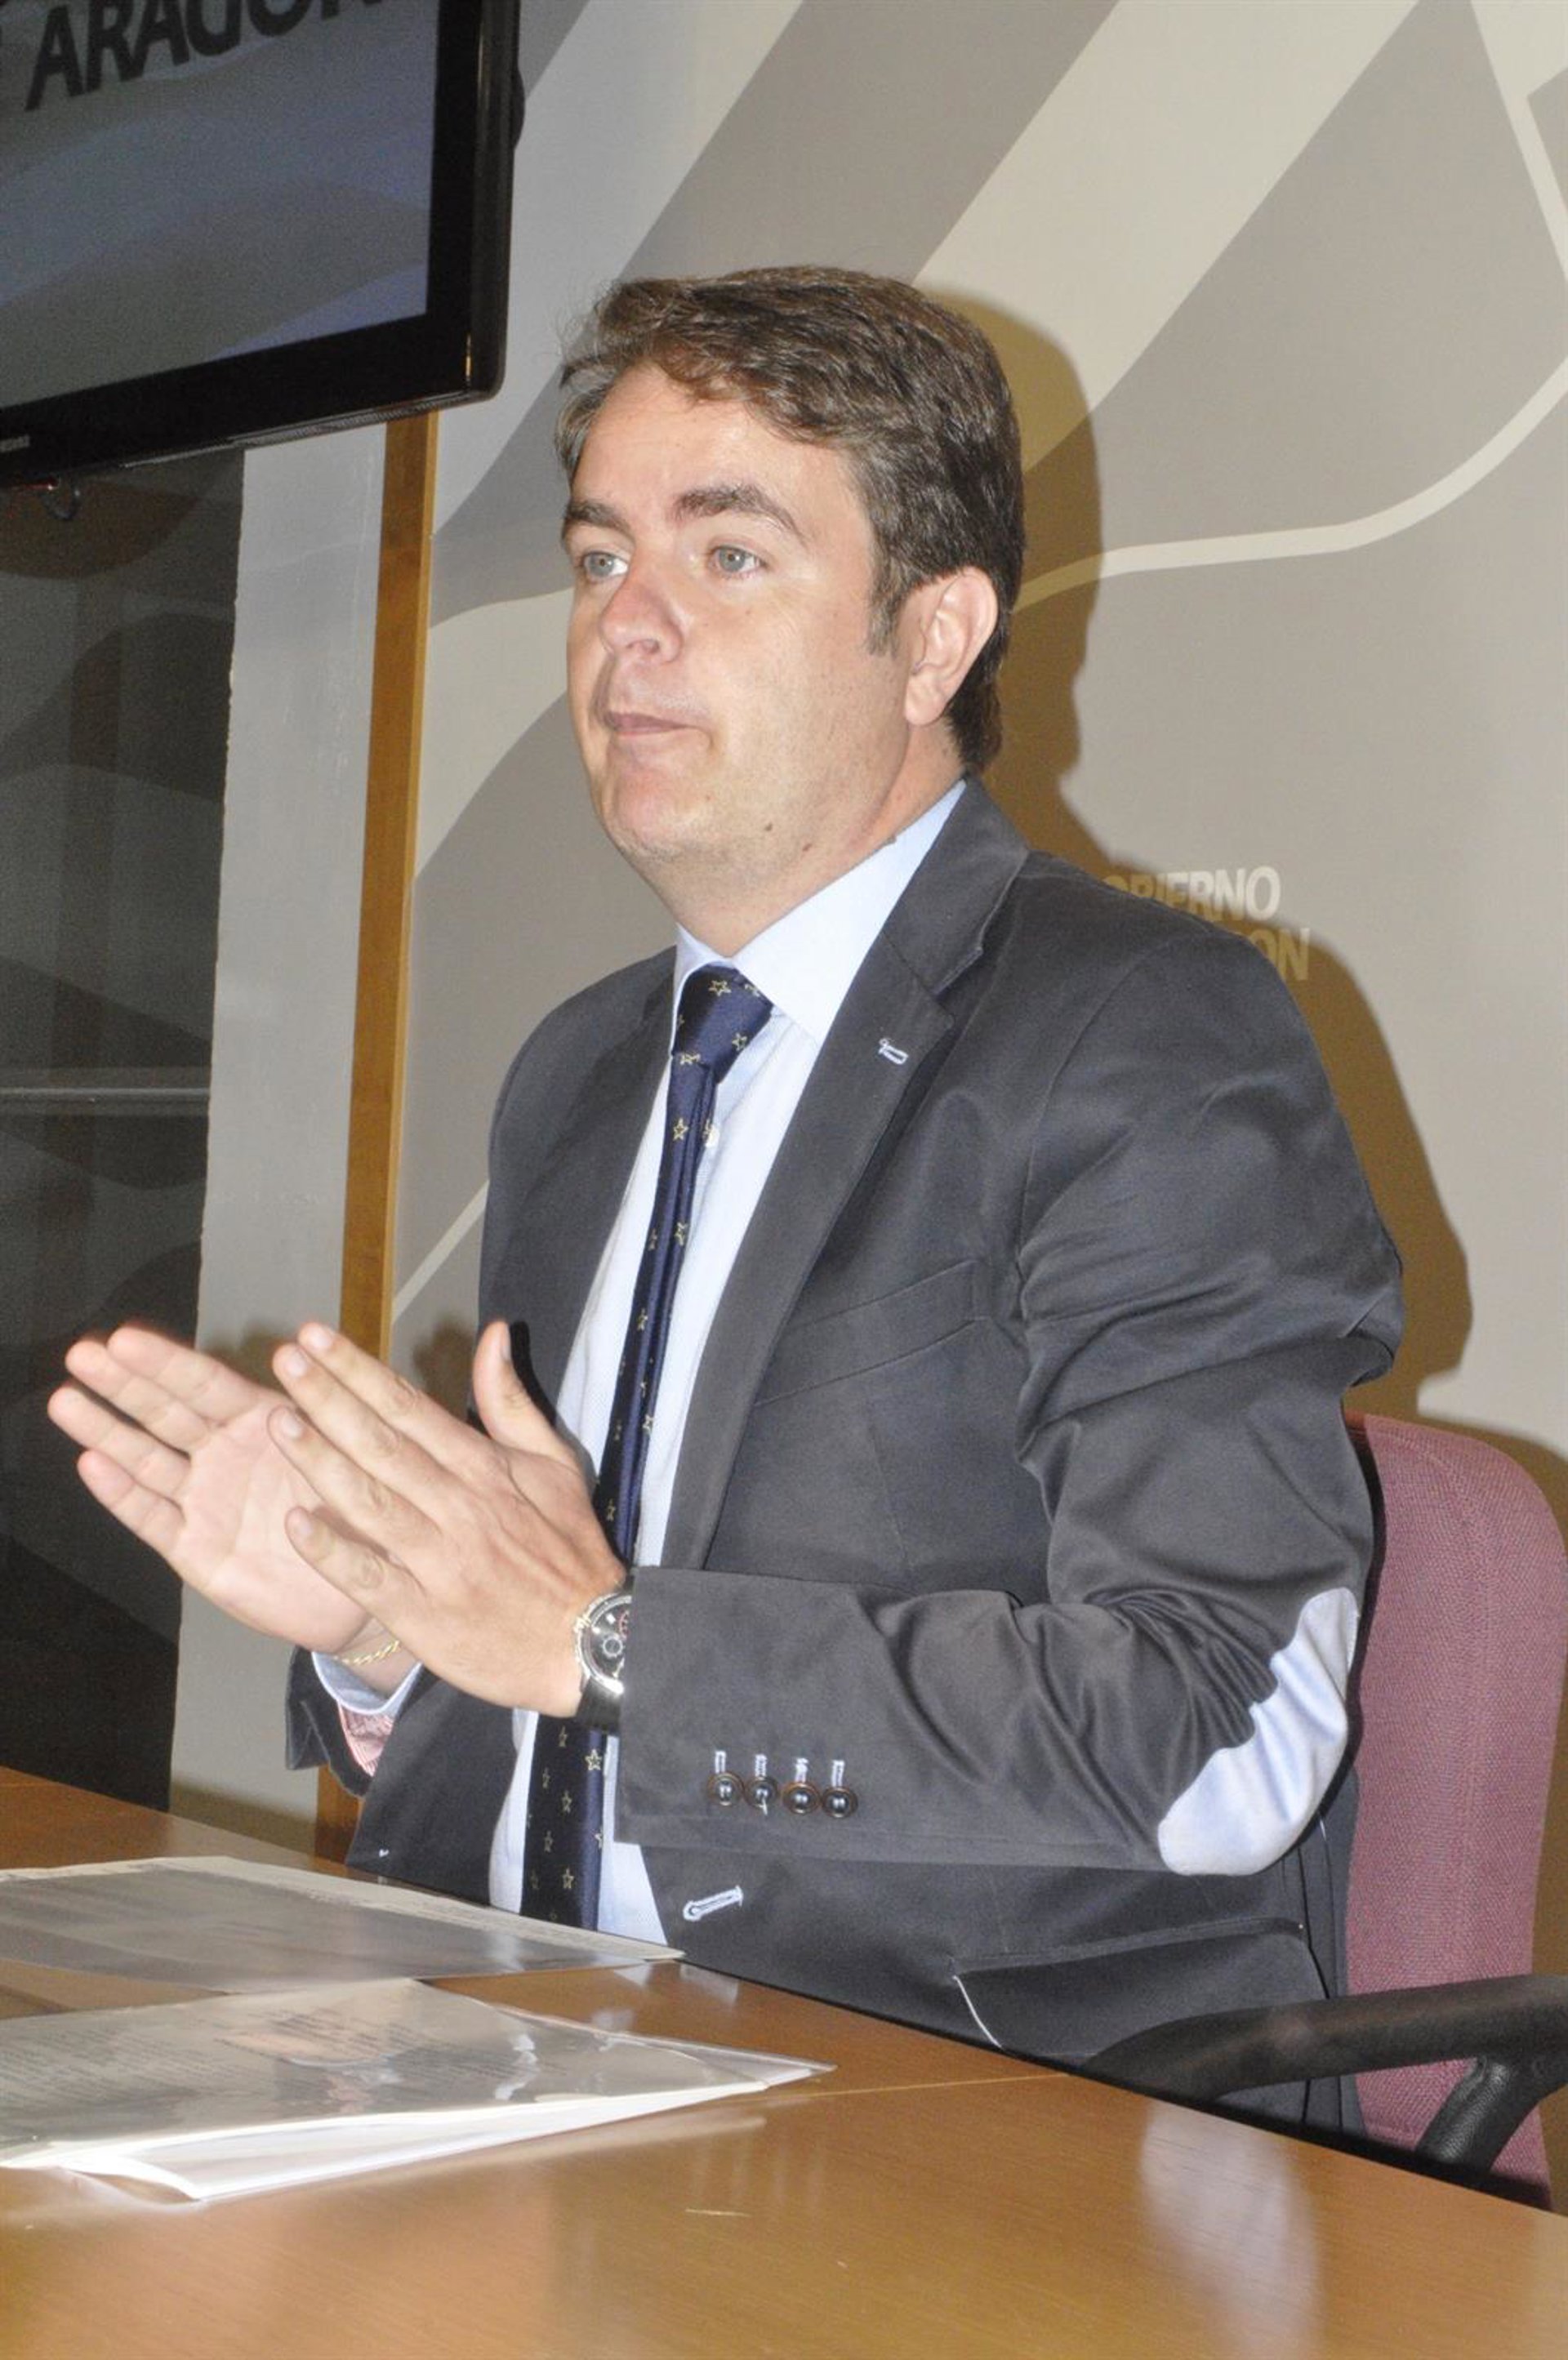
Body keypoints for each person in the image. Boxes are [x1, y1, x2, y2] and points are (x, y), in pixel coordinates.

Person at [50, 268, 1401, 2115]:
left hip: (945, 2122)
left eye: (731, 554)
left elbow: (1217, 1732)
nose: (630, 624)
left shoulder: (1145, 1034)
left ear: (933, 638)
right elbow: (565, 1702)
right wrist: (386, 1628)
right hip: (504, 2054)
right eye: (602, 557)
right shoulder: (586, 1072)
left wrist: (602, 1640)